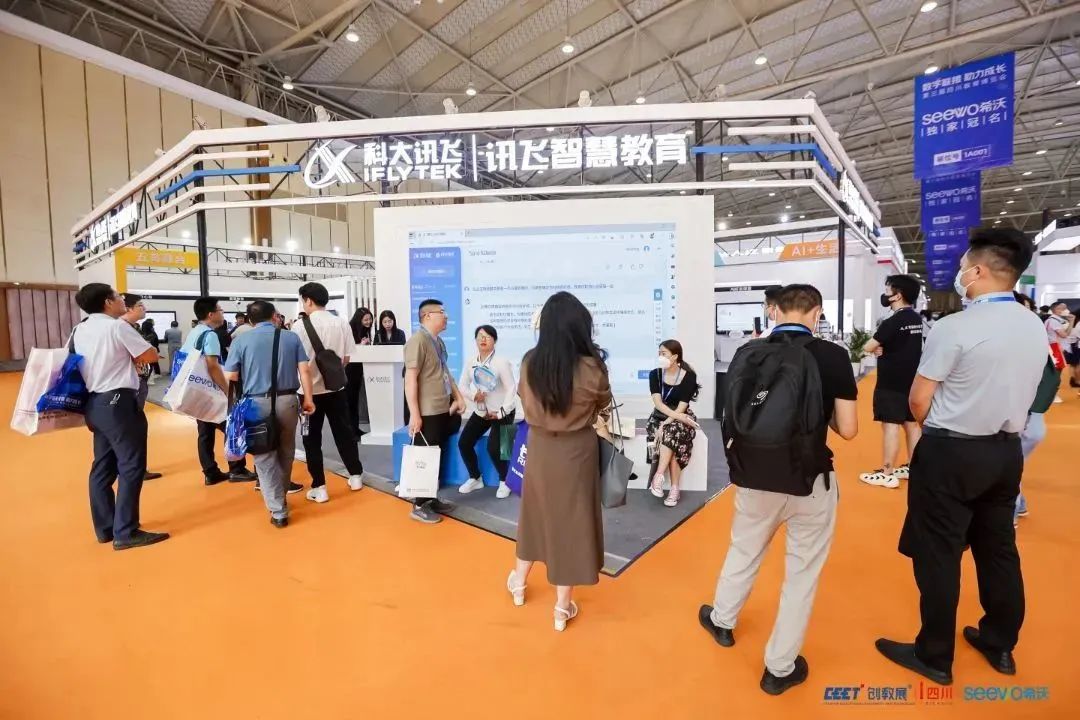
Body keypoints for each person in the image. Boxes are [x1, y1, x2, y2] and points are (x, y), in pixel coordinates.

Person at [875, 228, 1047, 686]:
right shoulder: (1033, 324)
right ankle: (999, 642)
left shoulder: (955, 327)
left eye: (963, 267)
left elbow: (918, 400)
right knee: (998, 548)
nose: (959, 274)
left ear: (978, 271)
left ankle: (934, 655)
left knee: (938, 552)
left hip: (951, 450)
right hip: (1006, 453)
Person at [698, 283, 857, 695]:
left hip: (755, 475)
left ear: (775, 312)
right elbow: (849, 429)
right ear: (816, 313)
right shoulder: (832, 356)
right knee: (801, 574)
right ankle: (779, 668)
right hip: (810, 481)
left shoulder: (748, 353)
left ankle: (722, 620)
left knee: (744, 549)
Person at [506, 292, 612, 632]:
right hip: (578, 452)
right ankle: (561, 609)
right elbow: (603, 405)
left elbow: (523, 397)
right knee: (571, 525)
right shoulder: (593, 367)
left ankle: (519, 585)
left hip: (539, 448)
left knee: (533, 517)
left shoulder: (529, 362)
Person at [72, 283, 168, 550]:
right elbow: (150, 355)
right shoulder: (117, 327)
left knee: (102, 467)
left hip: (95, 403)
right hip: (118, 402)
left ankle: (106, 528)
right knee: (131, 465)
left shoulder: (80, 329)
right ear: (107, 302)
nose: (122, 301)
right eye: (118, 297)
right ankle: (126, 531)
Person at [223, 301, 314, 528]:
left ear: (249, 319)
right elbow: (304, 370)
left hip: (255, 404)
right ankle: (280, 496)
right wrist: (308, 399)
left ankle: (278, 510)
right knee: (286, 450)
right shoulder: (290, 337)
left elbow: (231, 376)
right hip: (288, 400)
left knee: (264, 455)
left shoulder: (241, 340)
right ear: (274, 316)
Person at [291, 283, 366, 503]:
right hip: (336, 388)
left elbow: (297, 363)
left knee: (311, 438)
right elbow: (346, 358)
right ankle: (355, 476)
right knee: (344, 433)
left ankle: (319, 487)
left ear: (308, 300)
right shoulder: (341, 323)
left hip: (308, 393)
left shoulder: (299, 327)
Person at [180, 296, 256, 485]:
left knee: (205, 431)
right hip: (212, 391)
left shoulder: (194, 332)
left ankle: (210, 472)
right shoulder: (210, 335)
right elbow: (213, 366)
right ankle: (237, 469)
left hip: (198, 391)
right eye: (220, 310)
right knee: (233, 426)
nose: (223, 313)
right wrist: (227, 390)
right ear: (211, 314)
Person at [404, 299, 466, 524]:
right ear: (427, 316)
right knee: (425, 457)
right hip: (427, 411)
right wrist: (414, 414)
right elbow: (410, 379)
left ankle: (431, 498)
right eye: (442, 312)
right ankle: (419, 505)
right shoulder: (417, 341)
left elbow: (445, 371)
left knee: (437, 455)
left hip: (442, 408)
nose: (446, 316)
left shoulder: (437, 341)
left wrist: (458, 397)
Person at [860, 275, 923, 489]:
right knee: (911, 425)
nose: (885, 295)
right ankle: (914, 468)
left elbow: (867, 347)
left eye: (888, 291)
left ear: (898, 295)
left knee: (890, 426)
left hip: (891, 382)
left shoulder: (892, 321)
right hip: (911, 380)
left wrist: (877, 348)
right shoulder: (915, 319)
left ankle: (887, 473)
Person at [1011, 292, 1060, 527]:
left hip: (1022, 416)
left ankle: (1011, 509)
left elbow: (1051, 376)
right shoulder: (1034, 337)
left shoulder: (1028, 339)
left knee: (1007, 463)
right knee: (1012, 463)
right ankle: (1018, 503)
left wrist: (1033, 412)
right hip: (1026, 416)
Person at [457, 325, 517, 498]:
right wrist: (473, 396)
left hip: (503, 412)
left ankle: (505, 480)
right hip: (482, 412)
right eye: (480, 336)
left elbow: (511, 389)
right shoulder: (471, 362)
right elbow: (462, 386)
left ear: (494, 341)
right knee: (464, 443)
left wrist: (502, 412)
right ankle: (475, 478)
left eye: (488, 337)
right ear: (475, 340)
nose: (483, 339)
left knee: (498, 448)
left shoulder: (501, 362)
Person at [646, 339, 700, 507]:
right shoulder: (654, 374)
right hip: (659, 416)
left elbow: (682, 406)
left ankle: (658, 477)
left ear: (675, 356)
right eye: (659, 353)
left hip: (681, 415)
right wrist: (667, 421)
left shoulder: (689, 376)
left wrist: (667, 423)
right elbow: (658, 403)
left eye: (664, 354)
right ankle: (674, 488)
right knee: (673, 436)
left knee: (671, 431)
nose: (660, 356)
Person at [120, 294, 163, 481]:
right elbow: (150, 354)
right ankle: (135, 469)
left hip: (135, 383)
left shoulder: (130, 327)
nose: (144, 308)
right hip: (131, 385)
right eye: (140, 305)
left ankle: (134, 467)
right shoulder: (122, 328)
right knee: (134, 427)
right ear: (128, 308)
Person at [344, 307, 375, 437]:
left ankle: (355, 428)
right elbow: (347, 349)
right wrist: (361, 346)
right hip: (349, 370)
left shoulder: (364, 330)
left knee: (355, 400)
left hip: (358, 370)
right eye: (366, 319)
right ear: (359, 319)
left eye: (370, 319)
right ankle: (350, 431)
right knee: (350, 400)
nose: (368, 322)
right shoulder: (350, 329)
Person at [139, 318, 162, 384]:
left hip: (147, 351)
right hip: (150, 351)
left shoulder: (143, 334)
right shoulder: (152, 334)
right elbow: (156, 343)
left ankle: (150, 379)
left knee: (149, 365)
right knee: (150, 365)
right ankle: (150, 379)